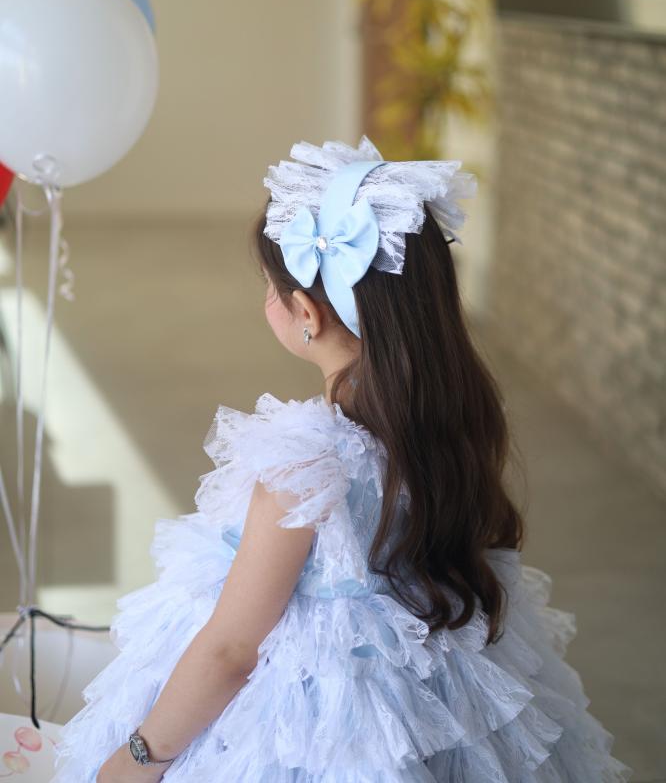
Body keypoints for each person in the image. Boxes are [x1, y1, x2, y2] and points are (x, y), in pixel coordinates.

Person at [52, 135, 633, 782]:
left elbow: (231, 651)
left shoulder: (303, 465)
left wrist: (138, 758)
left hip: (320, 734)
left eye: (270, 286)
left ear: (305, 313)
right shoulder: (454, 417)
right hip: (435, 708)